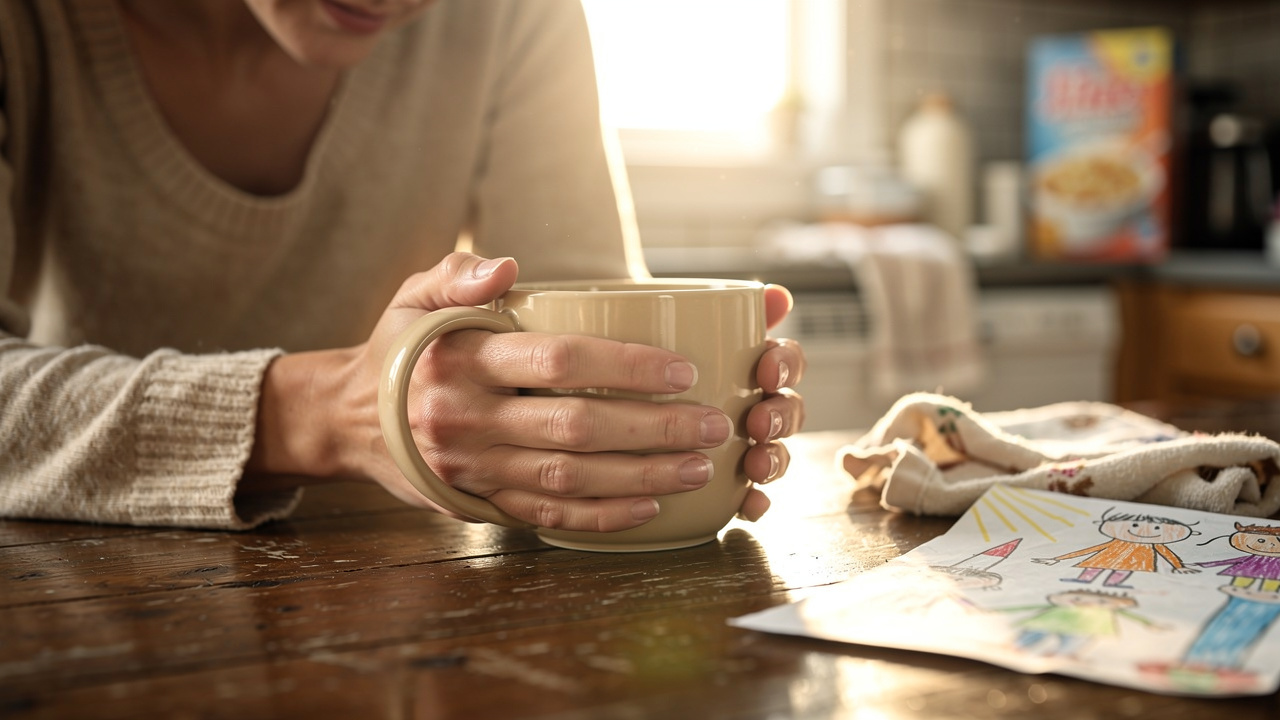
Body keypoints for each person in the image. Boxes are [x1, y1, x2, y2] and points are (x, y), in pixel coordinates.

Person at [0, 0, 805, 532]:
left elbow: (578, 333)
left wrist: (665, 422)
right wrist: (325, 412)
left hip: (422, 599)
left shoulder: (515, 15)